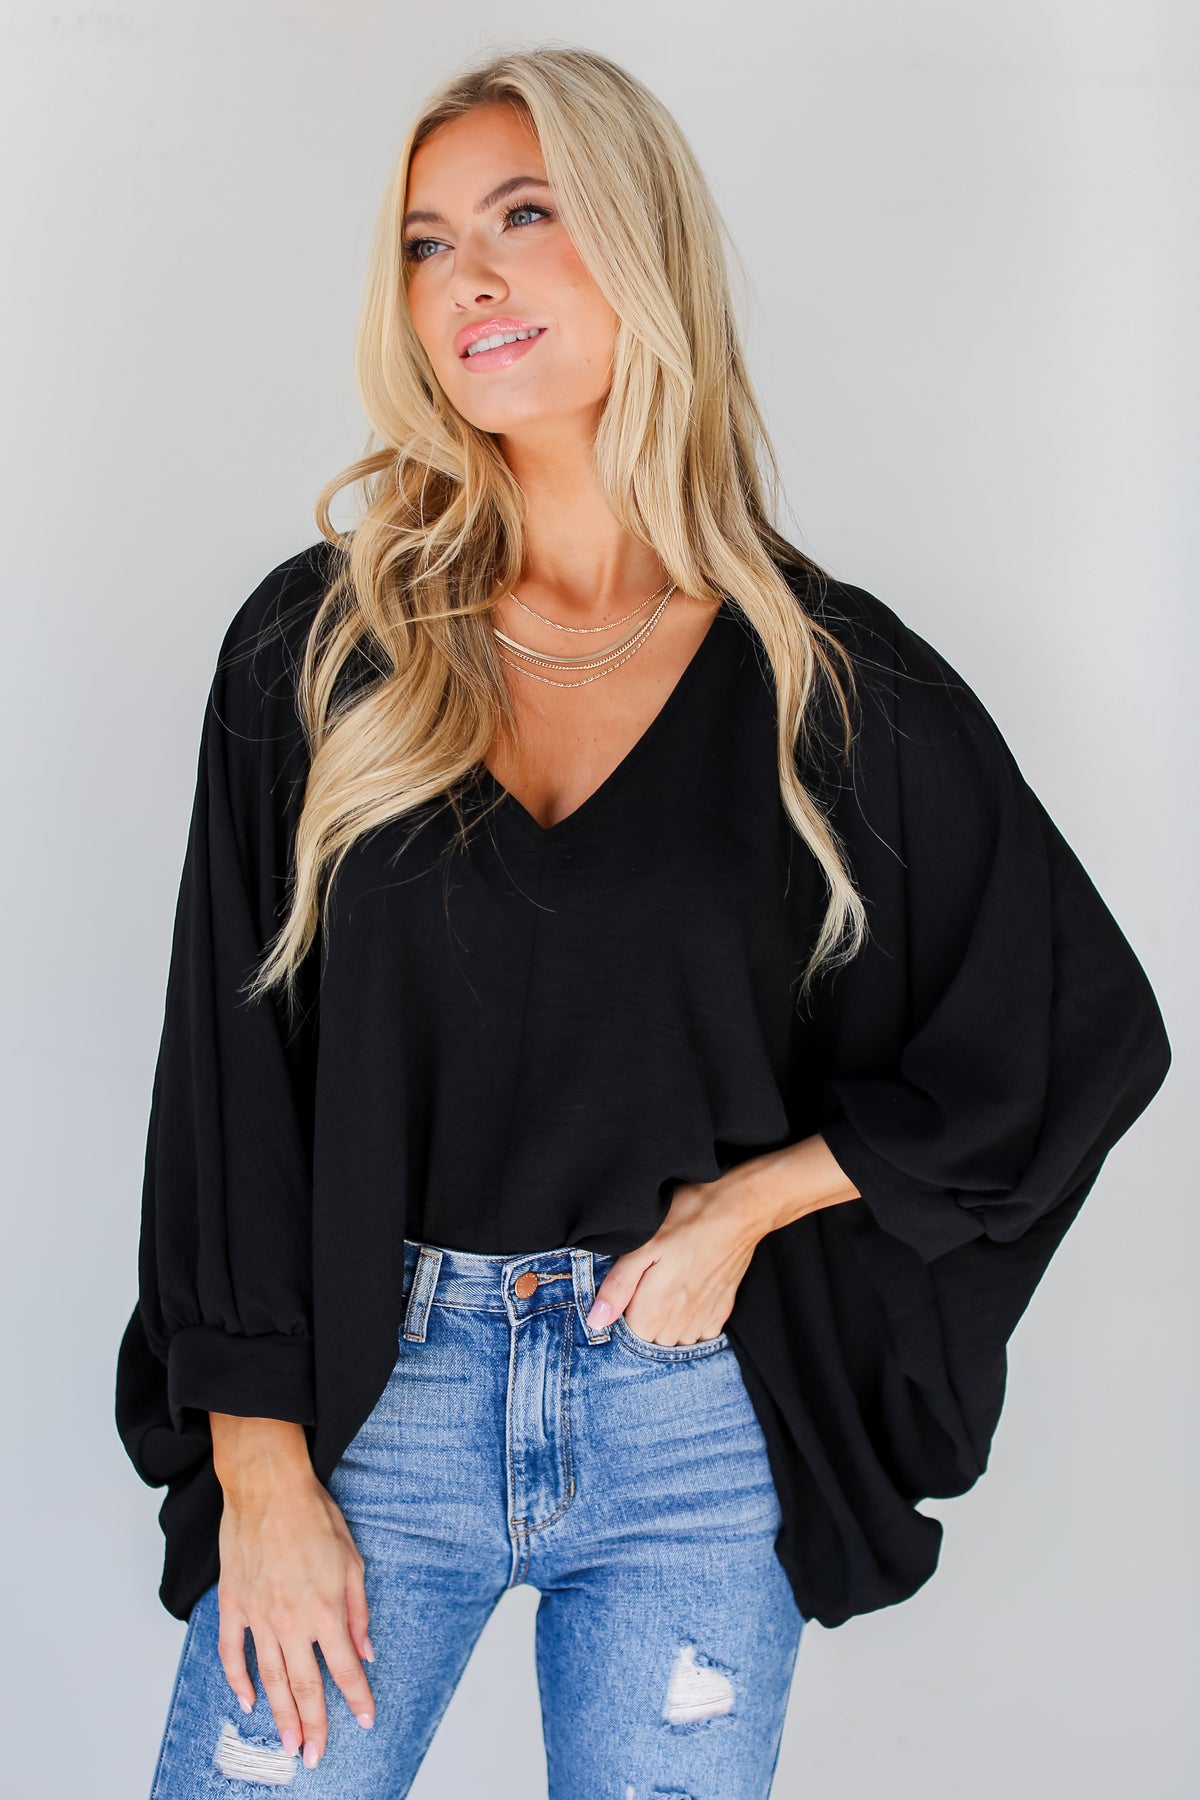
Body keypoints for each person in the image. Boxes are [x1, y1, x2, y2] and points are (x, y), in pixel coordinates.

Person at [115, 43, 1172, 1800]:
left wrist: (763, 1200)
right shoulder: (318, 650)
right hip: (374, 1411)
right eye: (427, 243)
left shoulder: (824, 683)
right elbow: (224, 1091)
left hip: (685, 1421)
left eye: (523, 216)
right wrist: (259, 1465)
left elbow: (1076, 1030)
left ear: (641, 242)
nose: (468, 276)